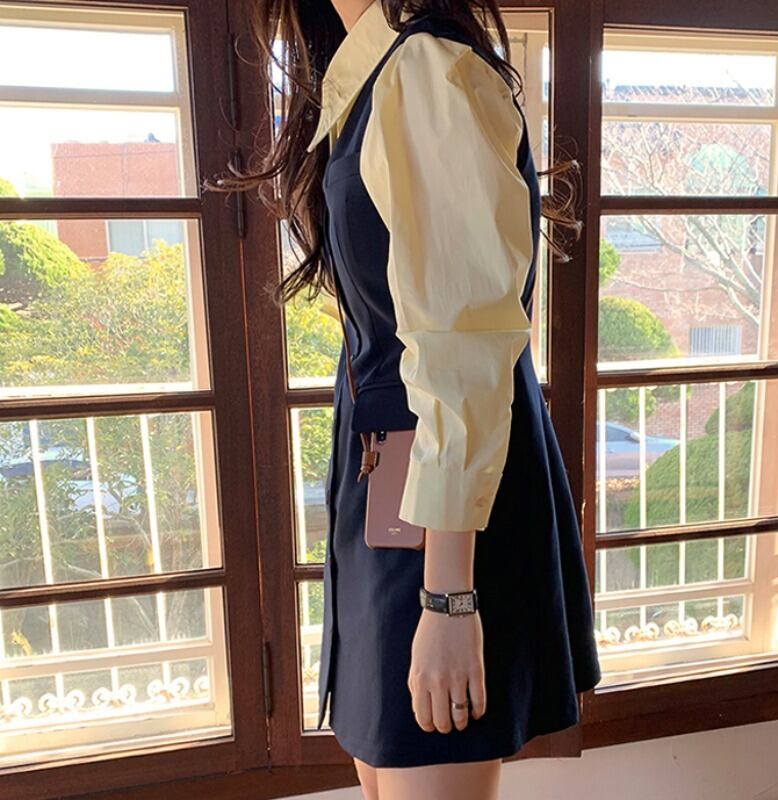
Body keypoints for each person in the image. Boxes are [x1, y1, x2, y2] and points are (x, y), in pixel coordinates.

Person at [208, 1, 602, 797]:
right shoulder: (369, 69)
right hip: (392, 494)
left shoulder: (426, 69)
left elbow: (463, 347)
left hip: (443, 519)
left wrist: (449, 598)